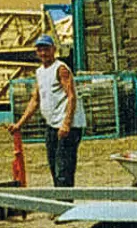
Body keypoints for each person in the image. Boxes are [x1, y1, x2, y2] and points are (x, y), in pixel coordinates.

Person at [9, 33, 86, 187]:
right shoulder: (40, 72)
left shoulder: (60, 69)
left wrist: (66, 123)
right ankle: (59, 199)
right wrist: (19, 124)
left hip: (67, 127)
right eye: (40, 50)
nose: (43, 53)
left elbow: (71, 96)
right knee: (53, 167)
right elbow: (35, 100)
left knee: (63, 170)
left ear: (53, 50)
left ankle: (65, 200)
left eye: (46, 49)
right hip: (52, 125)